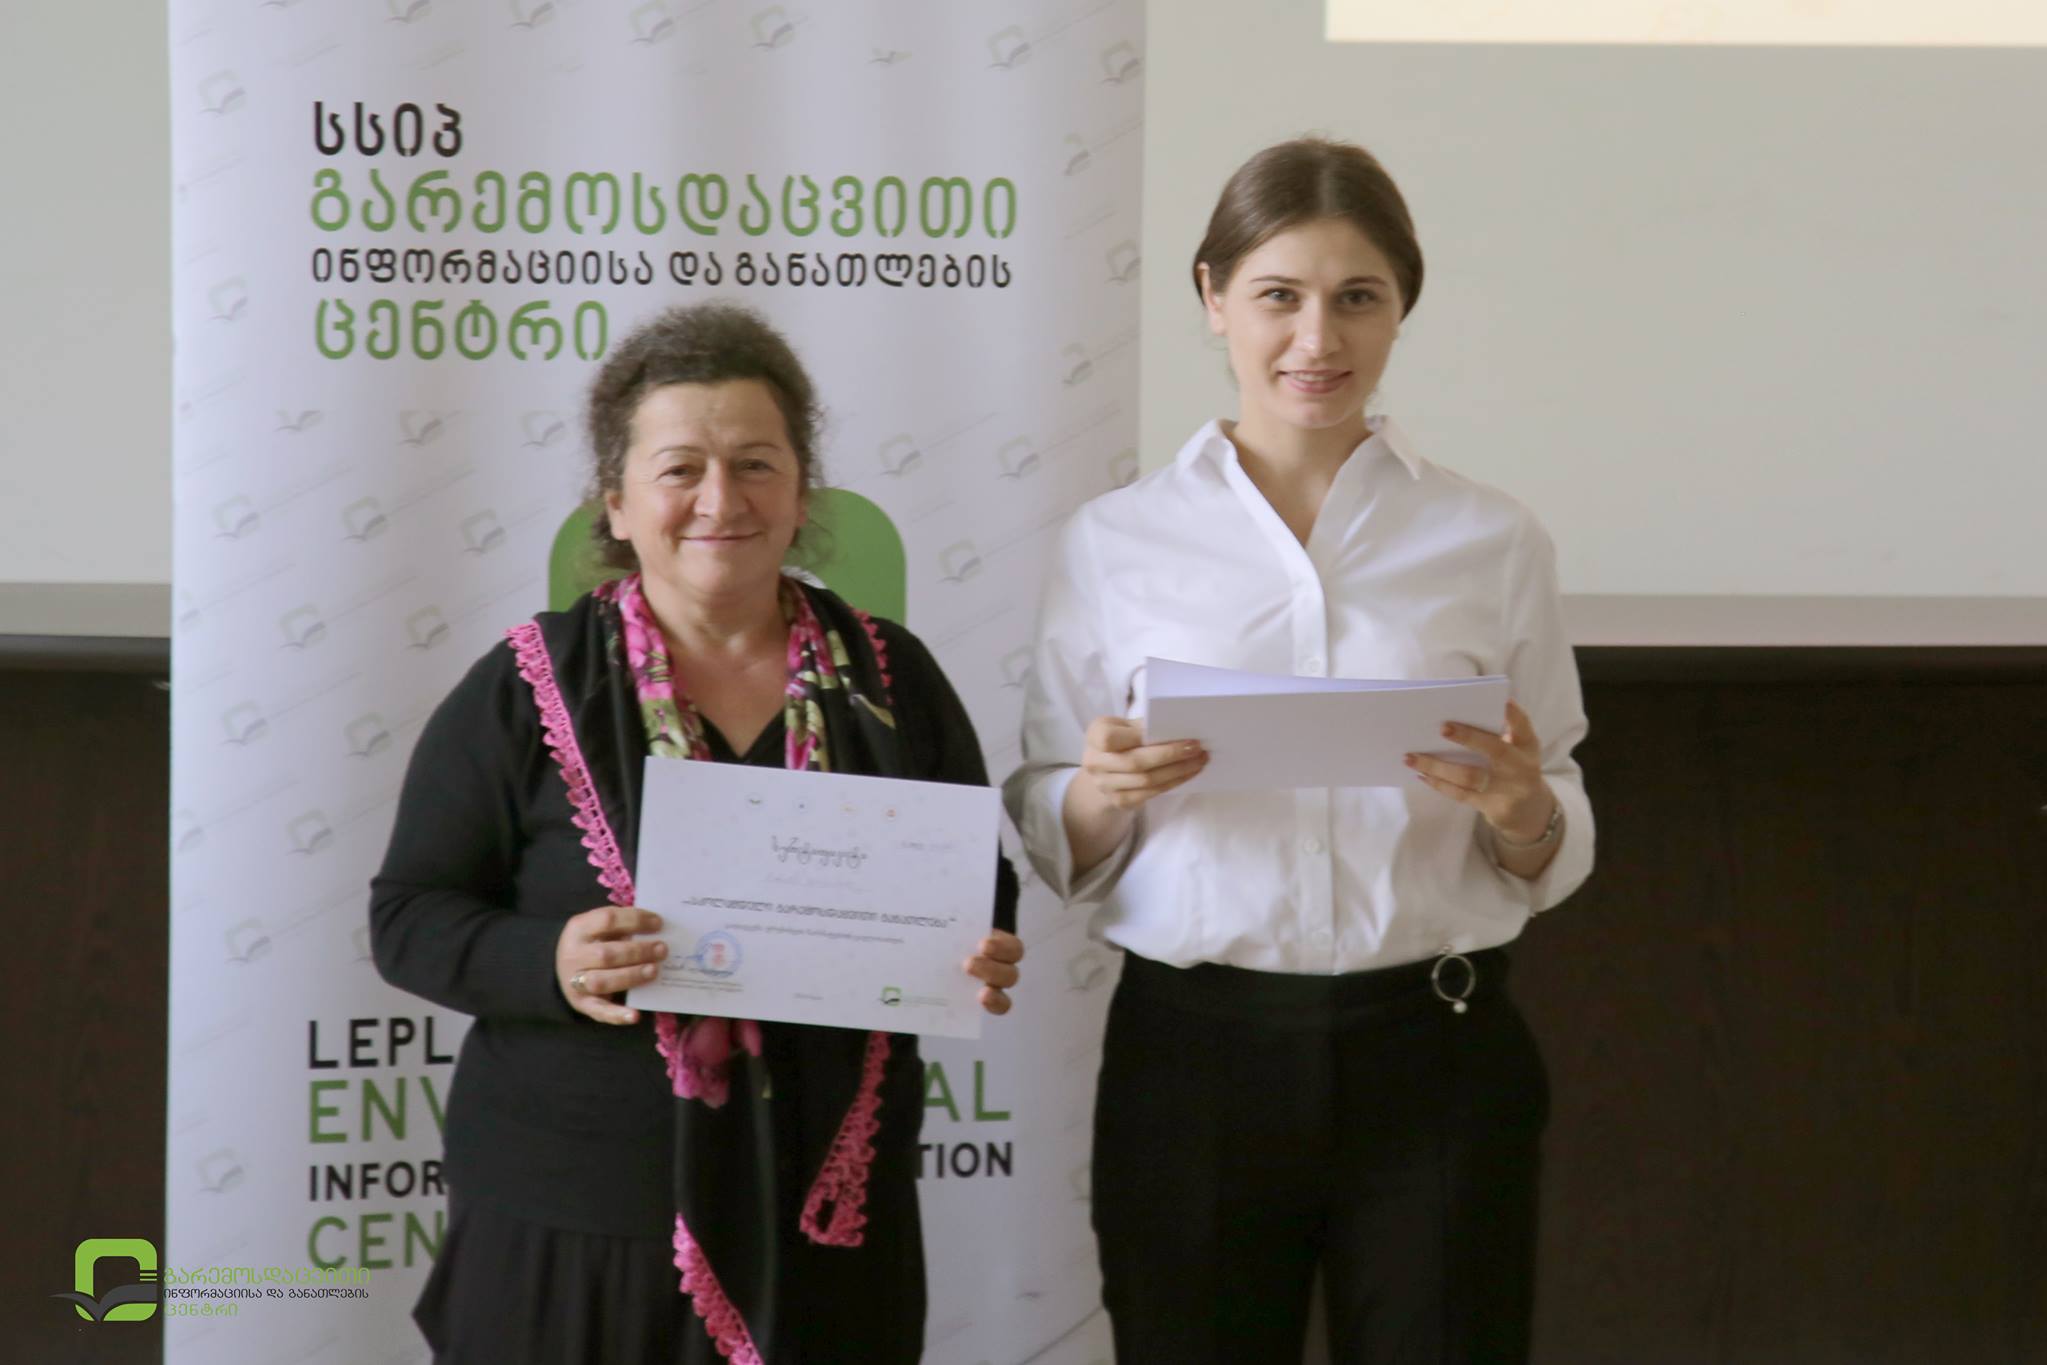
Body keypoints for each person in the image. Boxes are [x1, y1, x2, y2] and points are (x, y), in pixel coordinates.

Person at [1004, 137, 1595, 1363]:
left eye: (1356, 297)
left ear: (1399, 309)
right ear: (1211, 296)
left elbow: (1550, 810)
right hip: (1195, 1055)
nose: (1315, 338)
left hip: (1436, 1049)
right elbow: (1049, 806)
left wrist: (1521, 812)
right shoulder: (1114, 541)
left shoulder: (1490, 540)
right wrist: (1100, 793)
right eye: (1277, 295)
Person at [370, 301, 1024, 1365]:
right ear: (617, 503)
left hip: (825, 1216)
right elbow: (408, 916)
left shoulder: (889, 677)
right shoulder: (528, 686)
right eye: (680, 469)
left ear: (801, 493)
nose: (721, 499)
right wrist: (552, 960)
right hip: (576, 1212)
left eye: (756, 464)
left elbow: (974, 884)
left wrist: (976, 948)